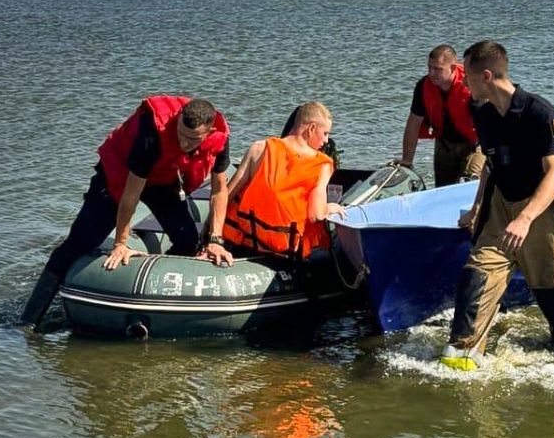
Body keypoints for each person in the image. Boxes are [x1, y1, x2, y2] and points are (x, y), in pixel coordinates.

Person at [440, 40, 554, 371]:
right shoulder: (482, 113)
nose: (464, 84)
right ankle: (462, 355)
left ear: (486, 75)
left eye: (466, 76)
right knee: (475, 275)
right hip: (500, 206)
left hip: (539, 210)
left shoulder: (540, 113)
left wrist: (525, 219)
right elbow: (490, 165)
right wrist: (475, 208)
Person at [19, 96, 231, 330]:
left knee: (189, 241)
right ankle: (28, 322)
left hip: (162, 178)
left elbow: (219, 191)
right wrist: (120, 243)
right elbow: (130, 195)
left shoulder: (219, 138)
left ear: (209, 131)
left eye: (193, 140)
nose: (184, 142)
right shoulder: (153, 131)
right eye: (181, 133)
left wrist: (215, 239)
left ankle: (153, 298)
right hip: (118, 176)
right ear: (178, 117)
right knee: (78, 243)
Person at [206, 102, 344, 262]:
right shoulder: (322, 164)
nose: (327, 141)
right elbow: (316, 214)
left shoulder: (259, 148)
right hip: (286, 252)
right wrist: (330, 208)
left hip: (245, 243)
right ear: (311, 128)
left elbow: (227, 195)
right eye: (325, 133)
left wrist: (210, 235)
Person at [394, 44, 485, 187]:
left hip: (475, 143)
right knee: (443, 187)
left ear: (453, 68)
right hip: (445, 142)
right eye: (429, 67)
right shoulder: (423, 86)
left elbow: (489, 121)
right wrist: (407, 160)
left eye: (438, 69)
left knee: (471, 180)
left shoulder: (471, 83)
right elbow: (413, 124)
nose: (432, 73)